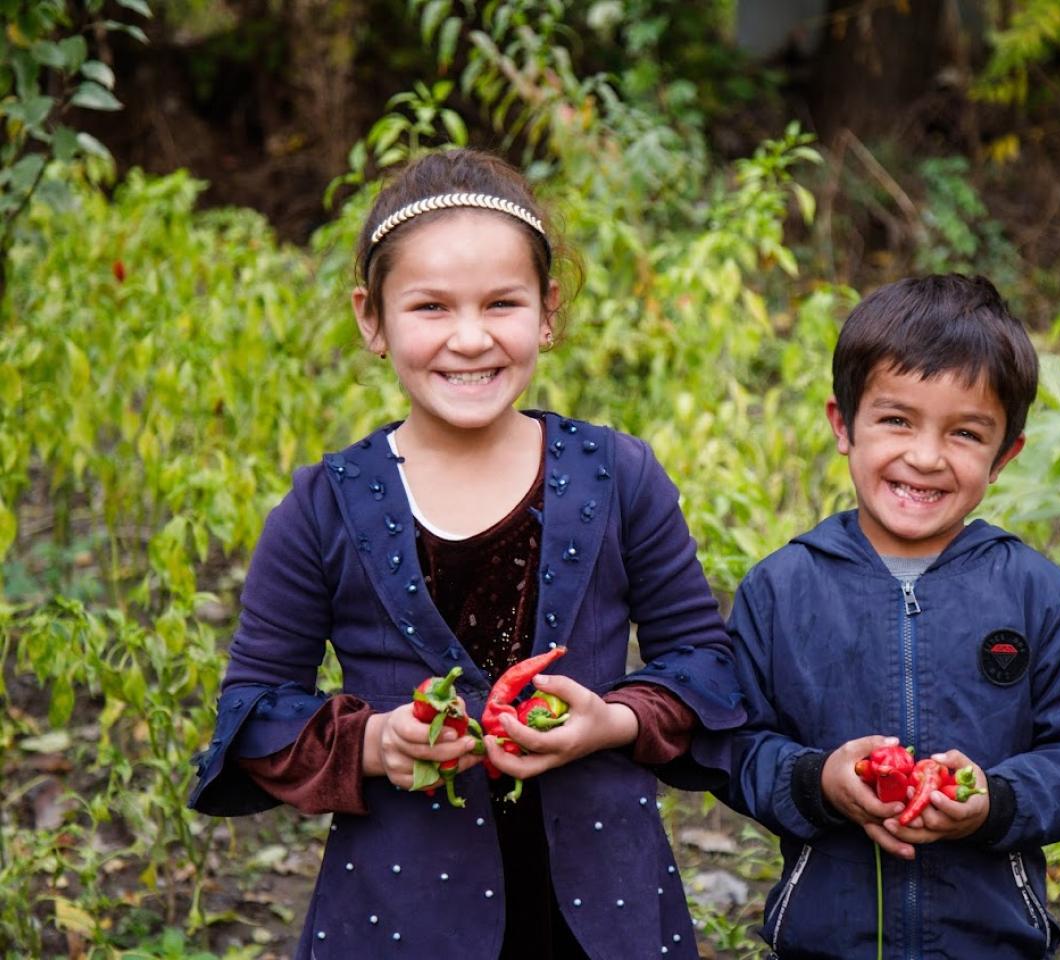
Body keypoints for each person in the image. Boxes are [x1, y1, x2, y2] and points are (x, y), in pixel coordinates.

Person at [188, 148, 744, 960]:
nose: (471, 337)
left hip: (606, 906)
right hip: (398, 911)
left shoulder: (619, 477)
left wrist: (610, 720)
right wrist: (376, 742)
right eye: (431, 307)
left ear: (548, 312)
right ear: (370, 319)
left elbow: (703, 664)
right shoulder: (323, 507)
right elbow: (255, 709)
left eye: (502, 303)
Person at [718, 274, 1060, 958]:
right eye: (896, 420)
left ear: (1005, 456)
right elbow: (732, 747)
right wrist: (818, 781)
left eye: (965, 433)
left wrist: (994, 800)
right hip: (828, 943)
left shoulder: (1037, 592)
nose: (926, 457)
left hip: (993, 943)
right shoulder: (781, 589)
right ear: (842, 424)